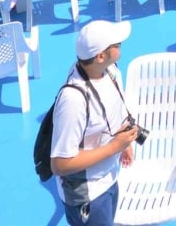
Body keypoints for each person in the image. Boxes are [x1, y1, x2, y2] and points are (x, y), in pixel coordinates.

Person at [49, 20, 139, 226]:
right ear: (100, 56)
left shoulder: (110, 70)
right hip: (88, 194)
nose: (121, 45)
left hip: (109, 176)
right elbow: (60, 164)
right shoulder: (73, 100)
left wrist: (125, 143)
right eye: (116, 45)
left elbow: (114, 109)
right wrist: (114, 147)